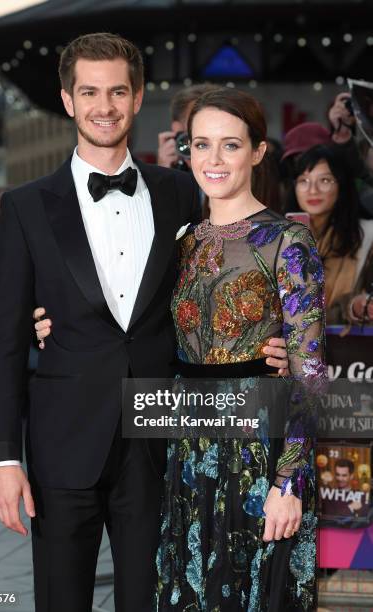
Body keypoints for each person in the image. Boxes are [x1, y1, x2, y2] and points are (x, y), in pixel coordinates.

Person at [0, 34, 290, 612]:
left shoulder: (181, 191)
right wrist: (3, 459)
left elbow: (221, 277)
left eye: (118, 91)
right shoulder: (25, 206)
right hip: (62, 443)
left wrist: (265, 343)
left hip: (159, 443)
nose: (105, 105)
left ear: (138, 96)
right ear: (68, 100)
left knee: (151, 602)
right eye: (90, 92)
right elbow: (1, 340)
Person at [154, 88, 326, 610]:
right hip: (189, 449)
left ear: (257, 151)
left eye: (230, 145)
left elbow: (311, 372)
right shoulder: (181, 239)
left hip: (260, 453)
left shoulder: (286, 241)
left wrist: (289, 481)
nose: (213, 159)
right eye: (200, 145)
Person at [286, 144, 373, 324]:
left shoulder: (367, 236)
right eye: (304, 181)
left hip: (347, 346)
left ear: (341, 185)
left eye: (324, 180)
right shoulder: (280, 236)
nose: (313, 190)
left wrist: (355, 306)